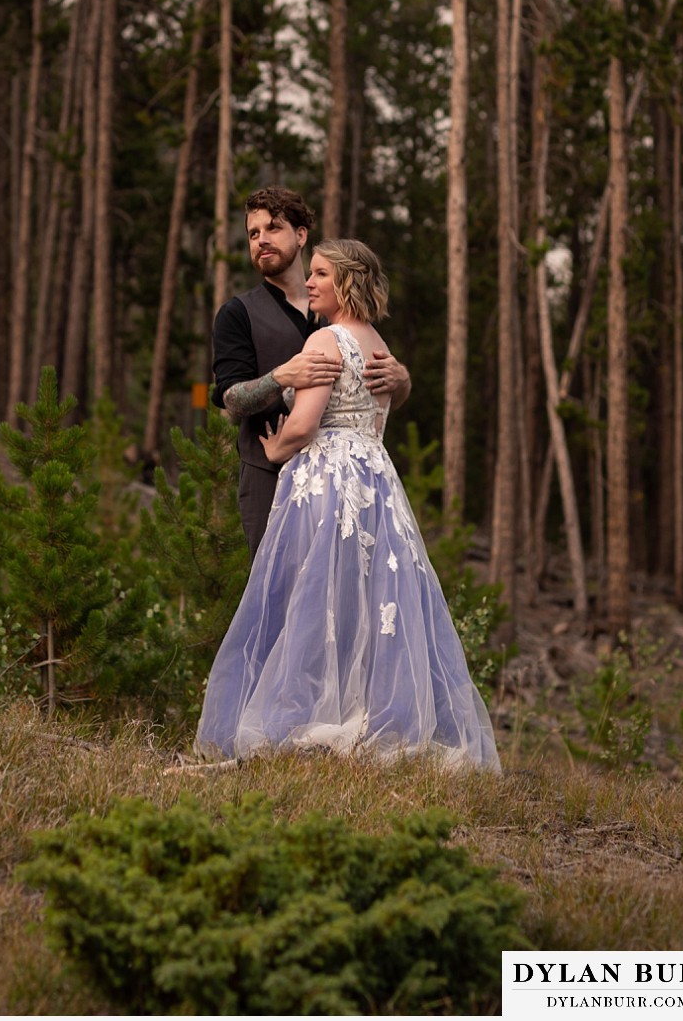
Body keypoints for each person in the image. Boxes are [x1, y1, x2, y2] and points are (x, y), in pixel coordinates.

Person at [196, 238, 500, 769]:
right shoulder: (379, 345)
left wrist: (278, 445)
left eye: (319, 274)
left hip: (327, 478)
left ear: (345, 284)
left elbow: (306, 423)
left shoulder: (326, 342)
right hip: (376, 480)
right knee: (370, 602)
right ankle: (367, 713)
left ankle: (298, 718)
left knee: (309, 599)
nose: (310, 282)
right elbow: (379, 417)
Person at [212, 187, 409, 558]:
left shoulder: (337, 308)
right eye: (253, 234)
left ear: (300, 235)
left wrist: (403, 381)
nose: (261, 240)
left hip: (345, 483)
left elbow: (375, 395)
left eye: (272, 228)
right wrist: (281, 377)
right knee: (282, 595)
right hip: (268, 476)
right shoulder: (238, 314)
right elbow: (232, 401)